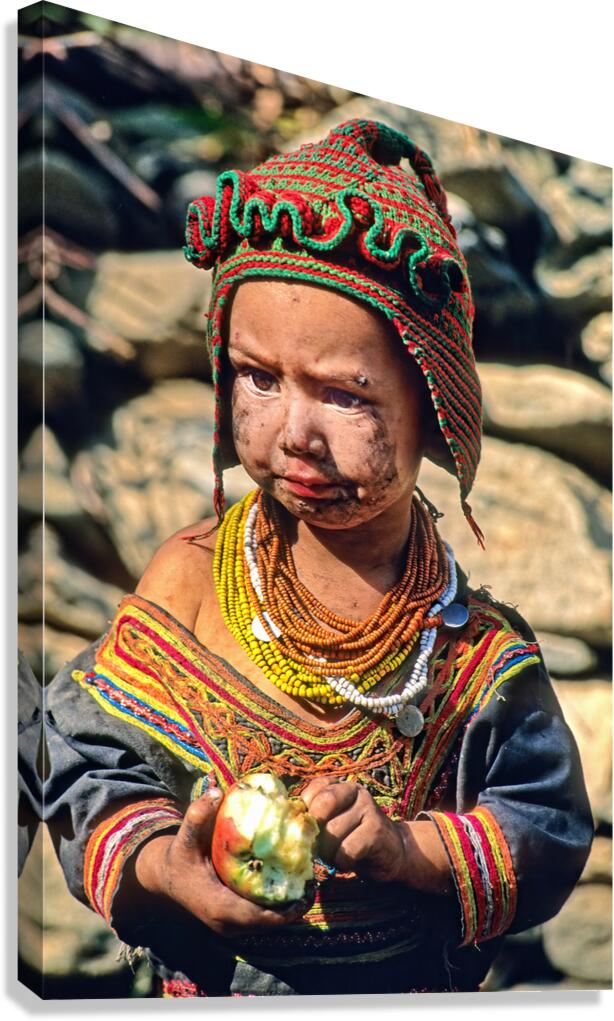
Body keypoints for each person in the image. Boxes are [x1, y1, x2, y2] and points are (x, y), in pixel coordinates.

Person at [43, 119, 593, 997]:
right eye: (258, 377)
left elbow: (548, 827)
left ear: (435, 408)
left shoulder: (472, 657)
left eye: (344, 394)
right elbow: (84, 754)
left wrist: (408, 849)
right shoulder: (190, 583)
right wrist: (162, 866)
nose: (293, 432)